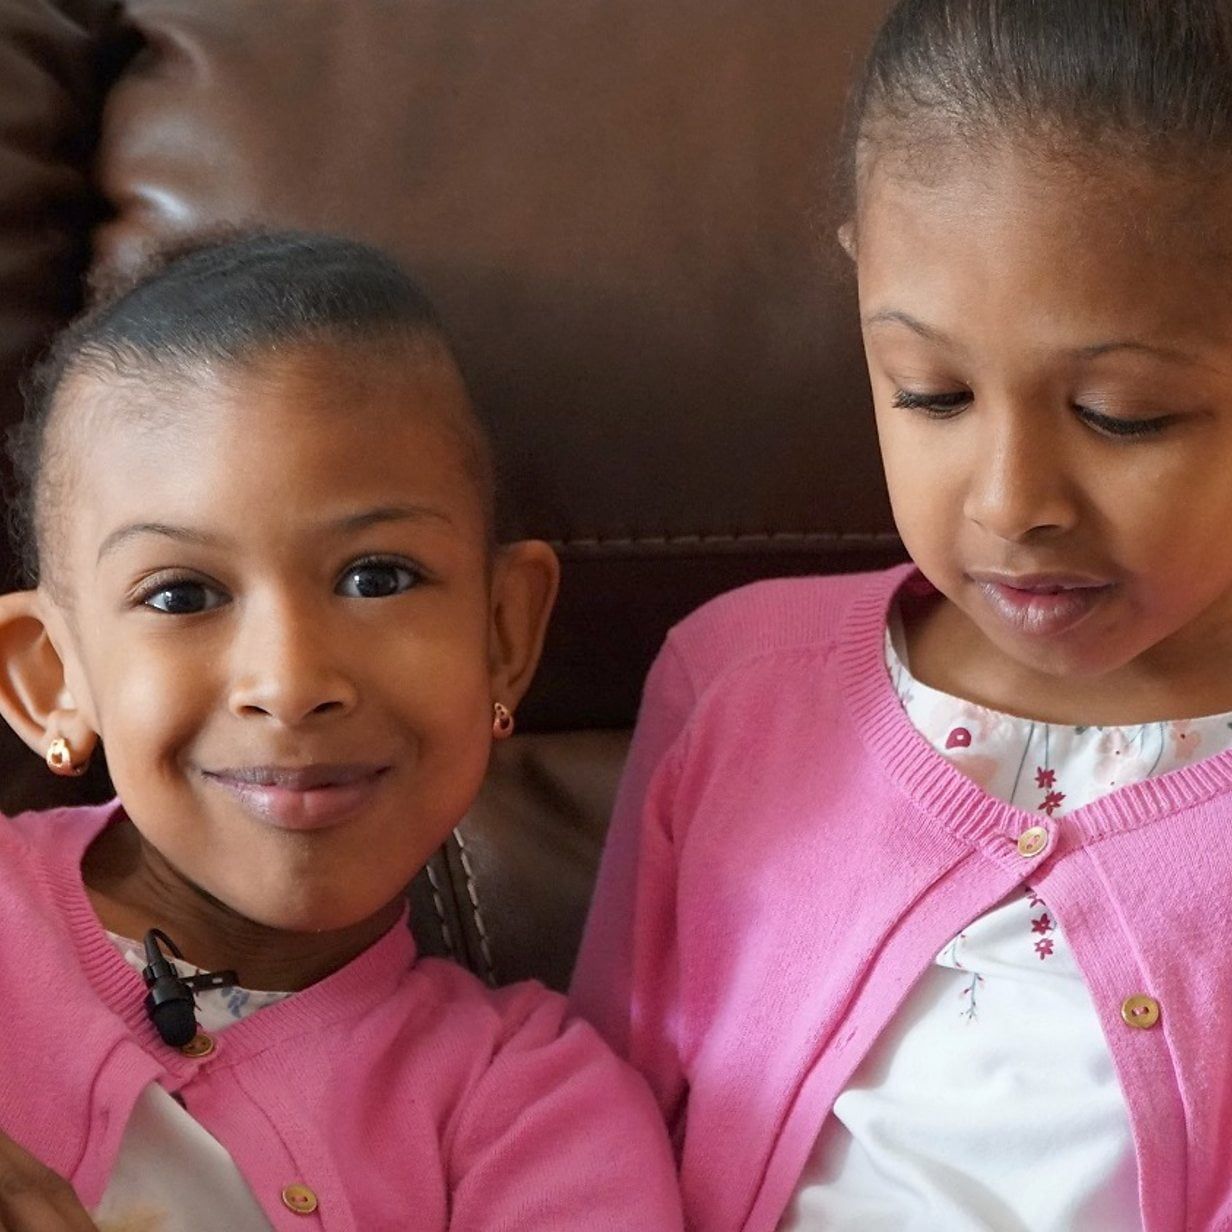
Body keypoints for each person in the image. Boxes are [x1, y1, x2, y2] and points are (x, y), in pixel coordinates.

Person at [570, 2, 1232, 1229]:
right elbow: (584, 1140)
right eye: (930, 393)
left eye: (1122, 414)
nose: (1009, 501)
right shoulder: (735, 682)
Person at [0, 230, 683, 1231]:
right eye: (182, 594)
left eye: (377, 577)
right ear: (51, 679)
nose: (291, 682)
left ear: (501, 633)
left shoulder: (534, 1109)